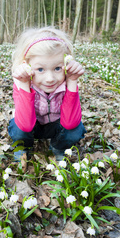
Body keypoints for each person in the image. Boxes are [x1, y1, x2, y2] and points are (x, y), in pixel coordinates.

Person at [8, 27, 86, 161]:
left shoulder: (67, 83)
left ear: (67, 64)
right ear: (26, 66)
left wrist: (72, 81)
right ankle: (24, 147)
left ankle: (59, 147)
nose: (50, 78)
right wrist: (25, 84)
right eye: (40, 69)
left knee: (76, 129)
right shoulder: (21, 84)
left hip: (56, 126)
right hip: (31, 125)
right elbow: (25, 125)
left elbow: (71, 123)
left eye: (57, 68)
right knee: (18, 128)